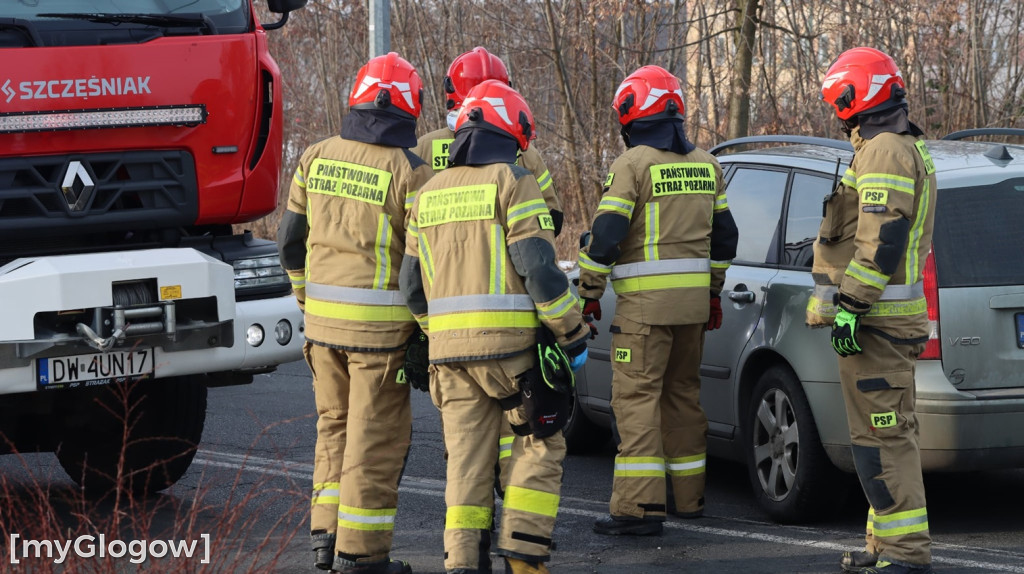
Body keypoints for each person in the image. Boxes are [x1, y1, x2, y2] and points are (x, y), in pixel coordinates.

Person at [399, 79, 590, 574]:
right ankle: (525, 559)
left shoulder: (429, 192)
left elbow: (410, 285)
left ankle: (463, 564)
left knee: (465, 462)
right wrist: (570, 330)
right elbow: (537, 266)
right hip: (512, 352)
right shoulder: (514, 181)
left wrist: (435, 329)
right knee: (539, 443)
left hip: (449, 358)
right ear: (511, 134)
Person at [277, 52, 433, 574]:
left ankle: (325, 538)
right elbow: (416, 271)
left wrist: (307, 300)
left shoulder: (315, 156)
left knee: (334, 429)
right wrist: (429, 330)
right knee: (375, 439)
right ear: (409, 107)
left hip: (322, 329)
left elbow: (289, 242)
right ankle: (361, 556)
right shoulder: (410, 171)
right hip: (380, 336)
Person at [578, 65, 738, 536]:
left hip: (644, 315)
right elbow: (725, 239)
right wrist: (712, 292)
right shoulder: (707, 165)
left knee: (636, 402)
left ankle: (638, 509)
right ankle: (690, 499)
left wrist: (589, 293)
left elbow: (606, 237)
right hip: (691, 311)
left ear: (631, 117)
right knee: (684, 398)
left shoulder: (632, 166)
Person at [810, 47, 936, 574]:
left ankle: (905, 553)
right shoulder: (898, 145)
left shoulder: (883, 150)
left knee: (884, 438)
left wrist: (850, 307)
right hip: (880, 322)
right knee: (876, 438)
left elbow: (882, 241)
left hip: (877, 322)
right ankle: (883, 546)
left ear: (851, 96)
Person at [412, 46, 564, 238]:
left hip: (435, 263)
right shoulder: (525, 152)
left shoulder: (422, 148)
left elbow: (406, 221)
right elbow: (552, 215)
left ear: (450, 90)